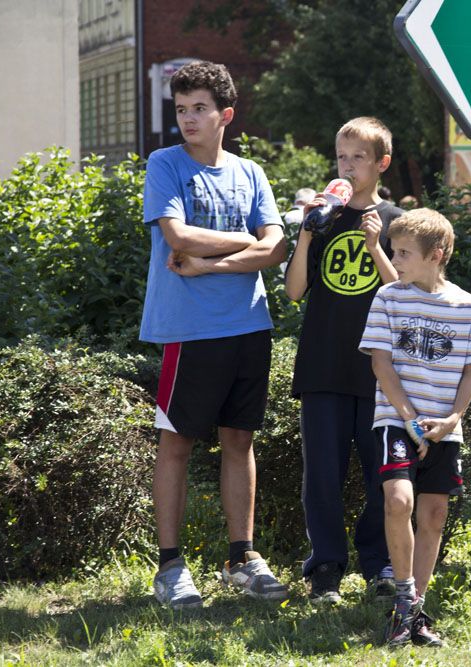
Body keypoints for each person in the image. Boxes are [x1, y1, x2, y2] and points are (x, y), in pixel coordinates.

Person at [140, 61, 289, 609]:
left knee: (239, 442)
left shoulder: (250, 173)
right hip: (189, 329)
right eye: (181, 109)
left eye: (199, 108)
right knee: (177, 443)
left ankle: (241, 559)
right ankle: (170, 568)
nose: (188, 119)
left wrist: (211, 264)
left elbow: (277, 249)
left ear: (225, 115)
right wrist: (246, 241)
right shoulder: (165, 164)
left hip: (249, 324)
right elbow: (178, 235)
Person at [359, 208, 471, 647]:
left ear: (436, 254)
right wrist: (410, 419)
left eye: (403, 253)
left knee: (434, 514)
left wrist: (452, 419)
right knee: (399, 501)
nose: (394, 261)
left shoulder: (469, 306)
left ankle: (416, 611)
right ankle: (402, 602)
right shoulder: (388, 298)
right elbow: (381, 364)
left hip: (443, 427)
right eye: (393, 251)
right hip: (396, 421)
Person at [284, 117, 401, 605]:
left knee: (382, 475)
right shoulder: (325, 218)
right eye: (341, 157)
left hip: (379, 373)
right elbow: (294, 291)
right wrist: (306, 233)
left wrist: (375, 247)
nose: (348, 167)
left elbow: (406, 297)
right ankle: (326, 569)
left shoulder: (396, 220)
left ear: (381, 163)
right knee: (322, 477)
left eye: (359, 158)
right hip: (324, 367)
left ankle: (380, 565)